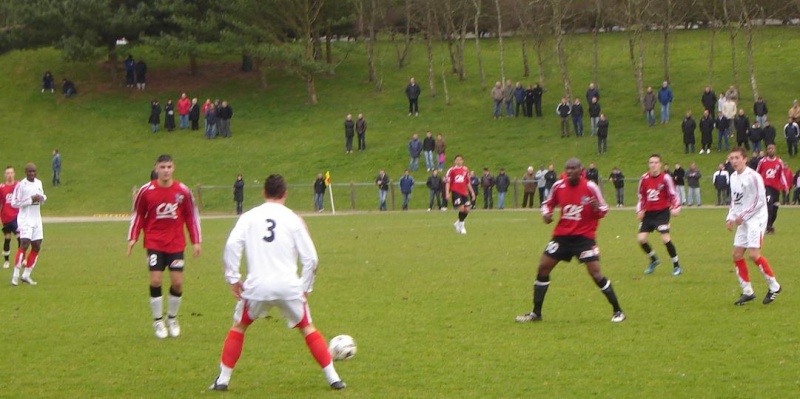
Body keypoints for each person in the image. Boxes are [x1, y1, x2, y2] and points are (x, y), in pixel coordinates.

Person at [209, 174, 346, 392]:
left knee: (240, 327)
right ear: (285, 194)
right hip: (288, 286)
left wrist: (233, 278)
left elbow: (232, 245)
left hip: (257, 287)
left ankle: (223, 380)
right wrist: (306, 287)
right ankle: (334, 379)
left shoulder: (249, 216)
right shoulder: (294, 219)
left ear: (264, 193)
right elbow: (311, 259)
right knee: (307, 327)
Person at [515, 158, 625, 324]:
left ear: (581, 170)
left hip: (584, 237)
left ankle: (618, 310)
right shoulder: (559, 186)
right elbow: (547, 204)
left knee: (595, 273)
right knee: (543, 268)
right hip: (562, 237)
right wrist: (546, 214)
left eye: (573, 168)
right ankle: (536, 313)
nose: (569, 171)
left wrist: (596, 209)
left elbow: (604, 209)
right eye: (567, 168)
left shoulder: (590, 187)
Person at [127, 155, 202, 339]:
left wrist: (196, 241)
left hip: (176, 243)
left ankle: (172, 318)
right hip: (154, 242)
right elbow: (138, 215)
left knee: (177, 282)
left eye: (169, 166)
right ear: (157, 168)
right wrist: (133, 237)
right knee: (156, 281)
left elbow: (191, 216)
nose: (166, 170)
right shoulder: (147, 190)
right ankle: (158, 321)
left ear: (173, 168)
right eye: (163, 167)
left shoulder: (182, 191)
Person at [726, 148, 782, 306]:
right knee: (737, 254)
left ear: (745, 159)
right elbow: (734, 200)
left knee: (753, 254)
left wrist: (742, 215)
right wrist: (730, 217)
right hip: (743, 219)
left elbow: (760, 201)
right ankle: (747, 291)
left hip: (757, 218)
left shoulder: (754, 176)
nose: (734, 161)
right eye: (731, 158)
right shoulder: (733, 177)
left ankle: (774, 286)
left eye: (737, 157)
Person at [636, 154, 683, 276]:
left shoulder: (666, 178)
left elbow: (674, 195)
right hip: (649, 213)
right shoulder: (644, 178)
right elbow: (641, 197)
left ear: (660, 164)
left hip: (662, 213)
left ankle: (676, 266)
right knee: (641, 239)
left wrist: (676, 208)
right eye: (651, 162)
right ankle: (654, 260)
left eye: (656, 162)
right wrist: (640, 210)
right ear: (648, 164)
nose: (653, 165)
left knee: (665, 239)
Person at [10, 163, 47, 286]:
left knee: (36, 245)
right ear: (26, 172)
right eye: (30, 171)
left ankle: (26, 275)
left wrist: (41, 198)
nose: (32, 173)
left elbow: (42, 196)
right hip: (25, 219)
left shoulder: (39, 183)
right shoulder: (21, 185)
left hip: (37, 218)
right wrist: (30, 200)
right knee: (24, 244)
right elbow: (14, 202)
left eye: (34, 171)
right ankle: (15, 275)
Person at [756, 144, 787, 234]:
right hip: (765, 187)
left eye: (772, 148)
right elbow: (757, 173)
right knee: (768, 205)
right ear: (767, 150)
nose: (770, 150)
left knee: (775, 208)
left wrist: (785, 186)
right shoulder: (762, 161)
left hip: (775, 188)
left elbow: (782, 175)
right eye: (769, 149)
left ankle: (769, 225)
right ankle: (767, 226)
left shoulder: (779, 162)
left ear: (775, 150)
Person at [445, 155, 476, 234]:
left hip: (464, 192)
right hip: (456, 192)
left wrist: (472, 192)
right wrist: (447, 193)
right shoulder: (451, 170)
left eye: (460, 160)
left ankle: (457, 223)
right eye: (457, 160)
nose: (458, 161)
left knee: (467, 209)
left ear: (462, 161)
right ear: (455, 161)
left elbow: (467, 182)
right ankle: (462, 226)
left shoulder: (465, 170)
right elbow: (448, 182)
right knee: (461, 209)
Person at [0, 167, 19, 269]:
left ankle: (21, 259)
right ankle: (6, 261)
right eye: (7, 173)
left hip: (17, 217)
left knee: (20, 238)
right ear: (4, 175)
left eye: (11, 172)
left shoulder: (18, 185)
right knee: (7, 239)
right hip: (6, 217)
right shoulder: (1, 187)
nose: (10, 175)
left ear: (14, 173)